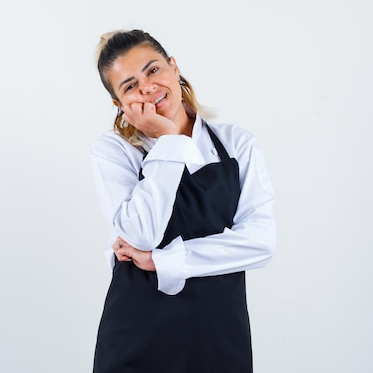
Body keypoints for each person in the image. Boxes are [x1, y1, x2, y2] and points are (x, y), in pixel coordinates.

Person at [90, 29, 277, 373]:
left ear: (174, 68)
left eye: (153, 70)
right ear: (119, 104)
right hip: (137, 338)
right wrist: (168, 140)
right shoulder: (115, 151)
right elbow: (143, 233)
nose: (147, 86)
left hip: (219, 337)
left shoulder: (236, 143)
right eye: (129, 86)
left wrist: (165, 261)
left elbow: (261, 243)